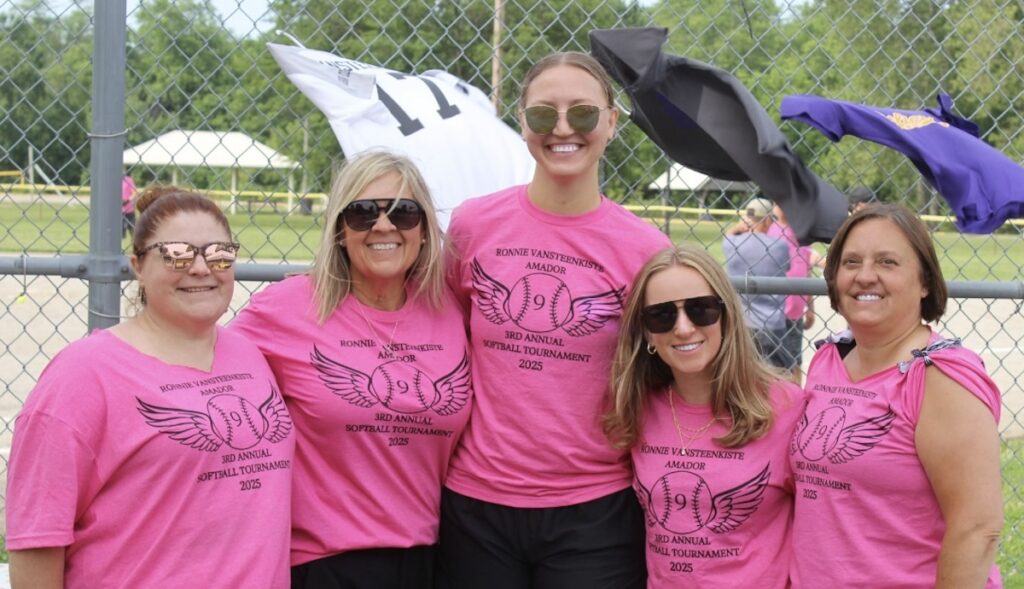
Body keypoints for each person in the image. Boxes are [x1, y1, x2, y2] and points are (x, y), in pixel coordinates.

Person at [438, 52, 672, 588]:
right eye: (544, 115)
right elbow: (443, 337)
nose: (563, 129)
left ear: (612, 123)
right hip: (478, 501)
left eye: (583, 114)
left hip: (593, 506)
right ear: (522, 123)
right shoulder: (475, 224)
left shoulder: (645, 249)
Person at [6, 186, 294, 588]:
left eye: (218, 253)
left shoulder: (250, 355)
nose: (200, 268)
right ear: (138, 265)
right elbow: (38, 537)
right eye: (176, 254)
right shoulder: (84, 374)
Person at [230, 151, 471, 588]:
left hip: (432, 558)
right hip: (322, 561)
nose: (383, 226)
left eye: (403, 212)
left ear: (425, 228)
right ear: (340, 231)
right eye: (362, 213)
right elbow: (203, 371)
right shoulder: (285, 308)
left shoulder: (451, 310)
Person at [790, 204, 1003, 587]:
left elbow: (977, 528)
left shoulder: (940, 377)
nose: (865, 276)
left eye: (887, 262)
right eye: (851, 261)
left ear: (924, 282)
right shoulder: (829, 358)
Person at [604, 244, 805, 587]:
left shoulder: (786, 407)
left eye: (701, 310)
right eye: (662, 316)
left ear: (726, 315)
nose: (683, 328)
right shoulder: (638, 407)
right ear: (648, 332)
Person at [723, 196, 790, 369]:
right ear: (767, 220)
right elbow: (787, 266)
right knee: (777, 372)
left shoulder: (732, 243)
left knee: (744, 370)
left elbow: (726, 237)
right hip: (772, 322)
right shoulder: (779, 246)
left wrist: (738, 227)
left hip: (742, 321)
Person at [767, 203, 817, 383]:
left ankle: (796, 400)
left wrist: (810, 308)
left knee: (795, 361)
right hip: (772, 314)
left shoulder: (801, 234)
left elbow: (808, 271)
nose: (783, 206)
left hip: (795, 312)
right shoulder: (769, 231)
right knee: (773, 364)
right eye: (777, 202)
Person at [122, 173, 137, 238]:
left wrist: (128, 200)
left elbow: (134, 192)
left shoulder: (128, 180)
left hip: (129, 211)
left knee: (133, 232)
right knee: (120, 234)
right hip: (119, 212)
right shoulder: (113, 180)